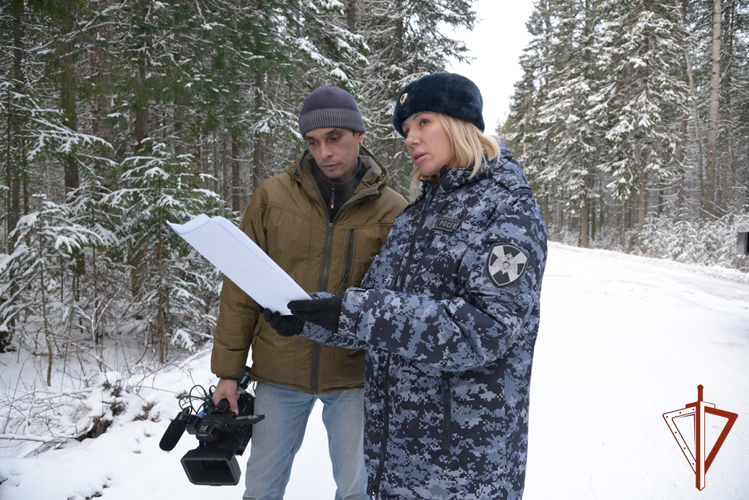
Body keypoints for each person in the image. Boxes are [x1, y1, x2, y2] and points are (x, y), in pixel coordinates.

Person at [262, 72, 548, 499]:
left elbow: (483, 329)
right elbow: (377, 313)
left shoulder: (507, 208)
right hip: (394, 461)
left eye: (423, 123)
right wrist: (308, 318)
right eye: (406, 130)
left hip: (463, 469)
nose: (411, 138)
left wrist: (353, 311)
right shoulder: (415, 217)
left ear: (458, 122)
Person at [210, 85, 407, 500]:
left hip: (353, 375)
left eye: (334, 138)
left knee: (357, 490)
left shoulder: (393, 210)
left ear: (360, 136)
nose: (324, 152)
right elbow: (240, 289)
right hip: (279, 371)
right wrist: (228, 372)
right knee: (261, 488)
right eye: (313, 142)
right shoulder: (272, 198)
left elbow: (396, 306)